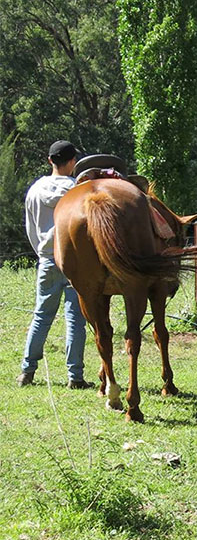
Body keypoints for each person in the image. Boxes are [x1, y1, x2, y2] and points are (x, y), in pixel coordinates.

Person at [16, 141, 89, 389]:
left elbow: (31, 229)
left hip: (47, 258)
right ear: (73, 162)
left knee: (41, 316)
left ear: (50, 161)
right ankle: (75, 376)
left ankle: (27, 370)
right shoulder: (77, 191)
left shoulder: (35, 190)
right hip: (76, 263)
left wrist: (43, 252)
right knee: (75, 319)